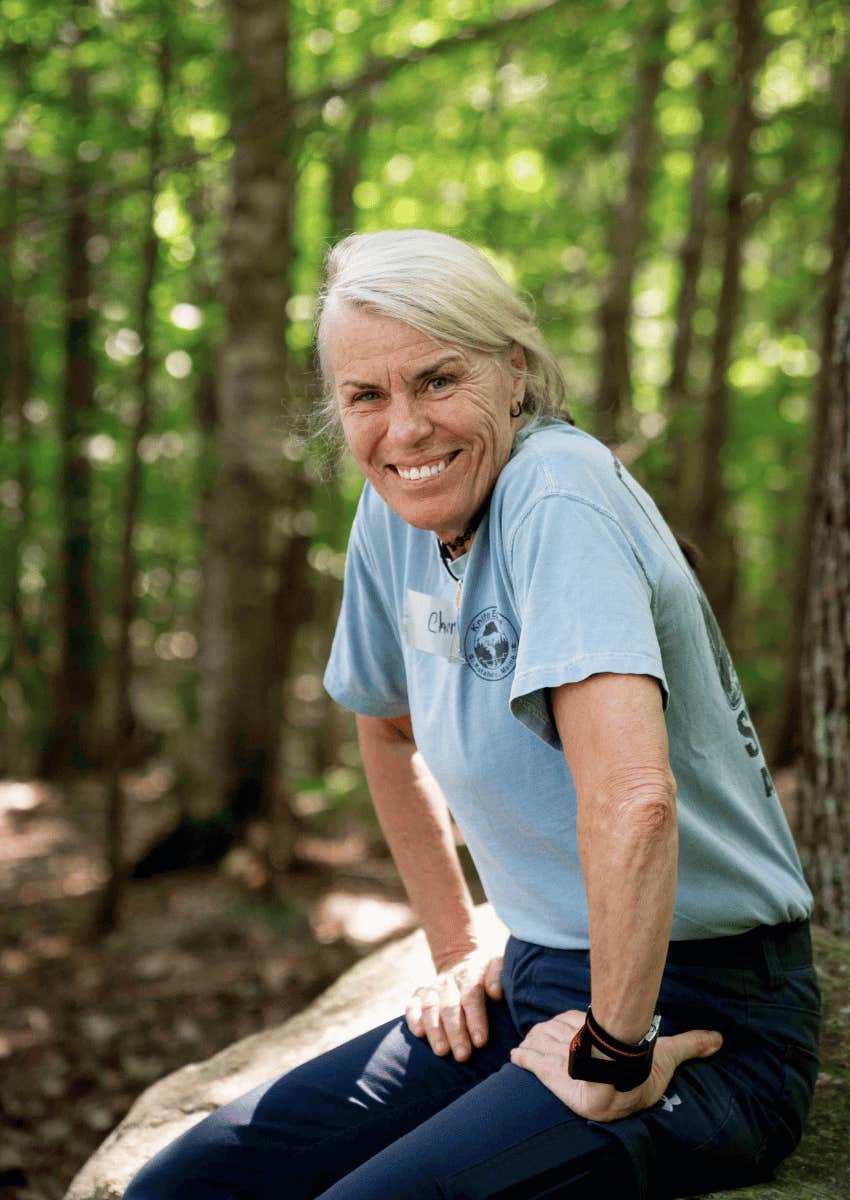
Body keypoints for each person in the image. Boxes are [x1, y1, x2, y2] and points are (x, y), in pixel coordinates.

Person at [125, 229, 819, 1199]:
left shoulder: (556, 491)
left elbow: (633, 800)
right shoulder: (398, 505)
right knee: (184, 1188)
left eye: (437, 380)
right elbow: (386, 721)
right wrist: (457, 952)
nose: (403, 429)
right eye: (366, 397)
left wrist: (615, 1052)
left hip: (696, 1007)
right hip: (532, 979)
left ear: (515, 372)